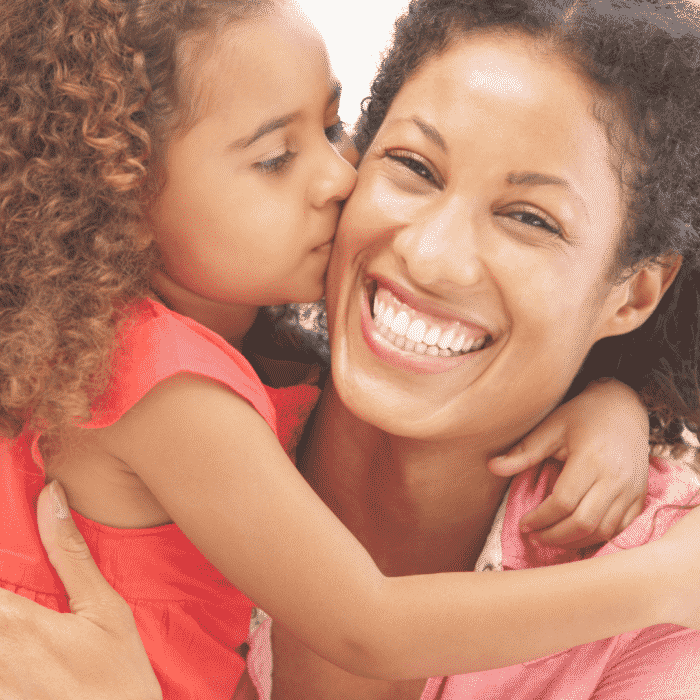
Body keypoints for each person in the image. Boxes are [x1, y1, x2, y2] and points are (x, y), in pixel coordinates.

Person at [0, 0, 699, 698]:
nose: (339, 176)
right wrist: (656, 581)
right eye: (413, 166)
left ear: (634, 295)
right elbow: (371, 625)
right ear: (127, 194)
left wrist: (619, 399)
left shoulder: (246, 367)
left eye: (528, 218)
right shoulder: (165, 385)